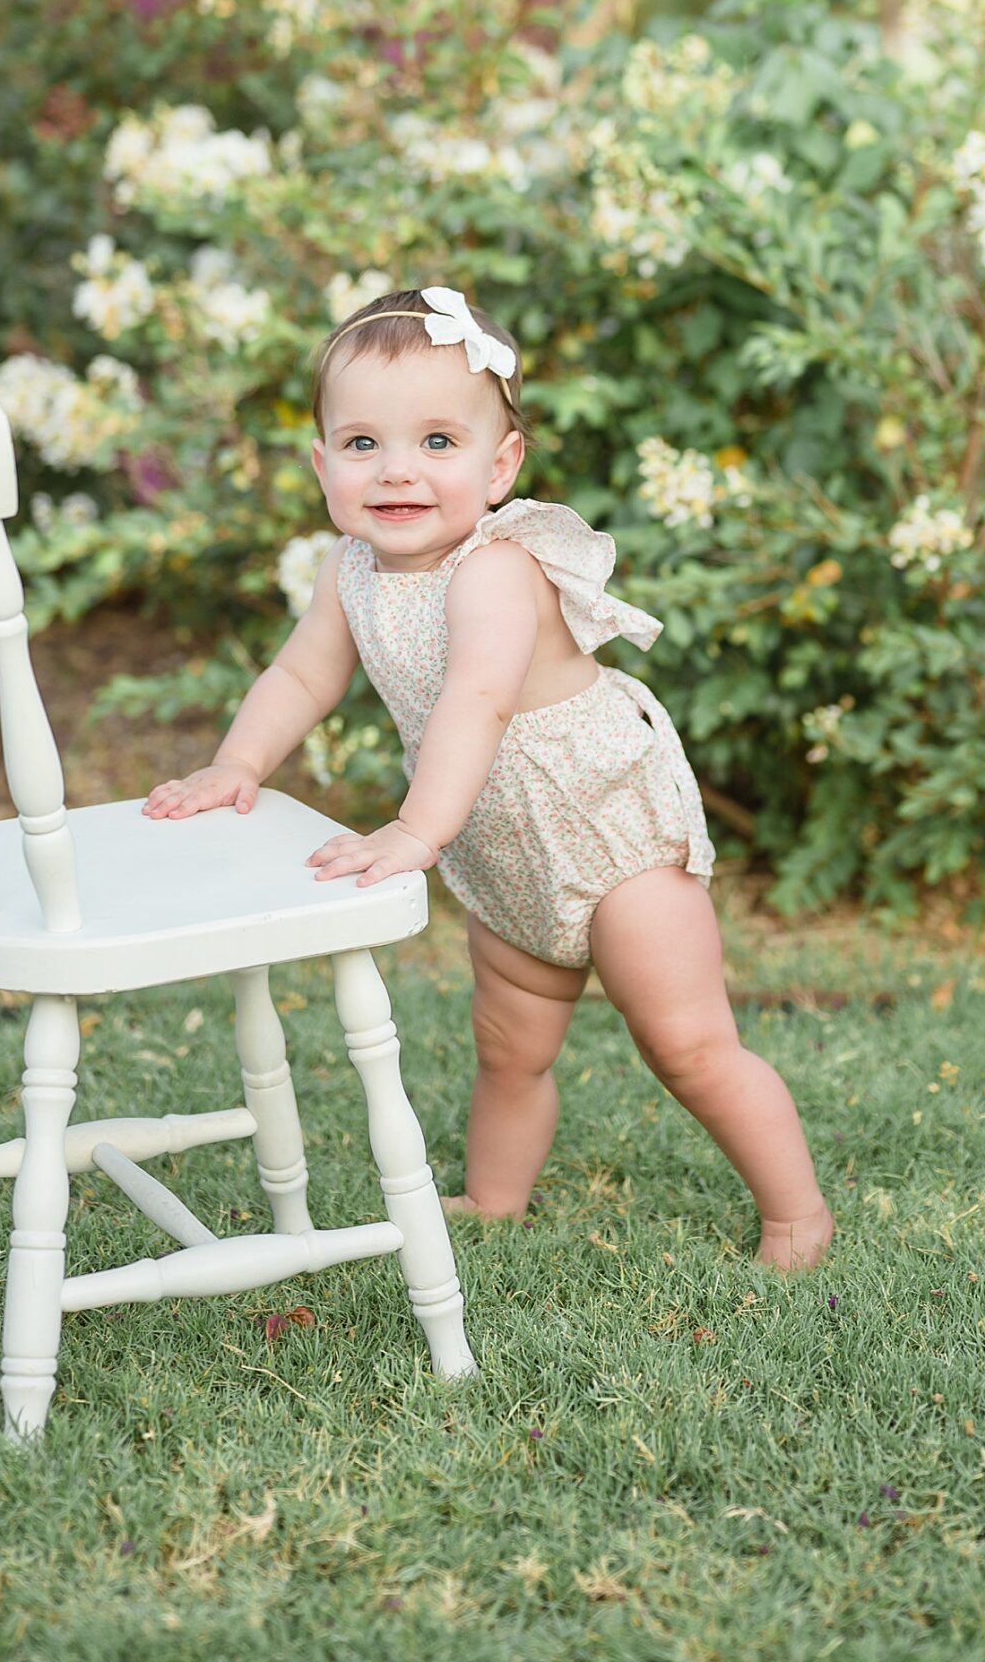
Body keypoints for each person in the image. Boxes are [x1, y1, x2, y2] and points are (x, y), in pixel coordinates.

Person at [143, 283, 836, 1273]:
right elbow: (301, 673)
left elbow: (476, 700)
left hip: (607, 832)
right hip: (501, 844)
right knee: (509, 1046)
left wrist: (414, 835)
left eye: (436, 442)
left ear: (499, 464)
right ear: (321, 463)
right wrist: (236, 762)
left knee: (686, 1043)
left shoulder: (495, 569)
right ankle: (494, 1197)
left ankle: (795, 1214)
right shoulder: (348, 569)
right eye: (362, 444)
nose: (397, 471)